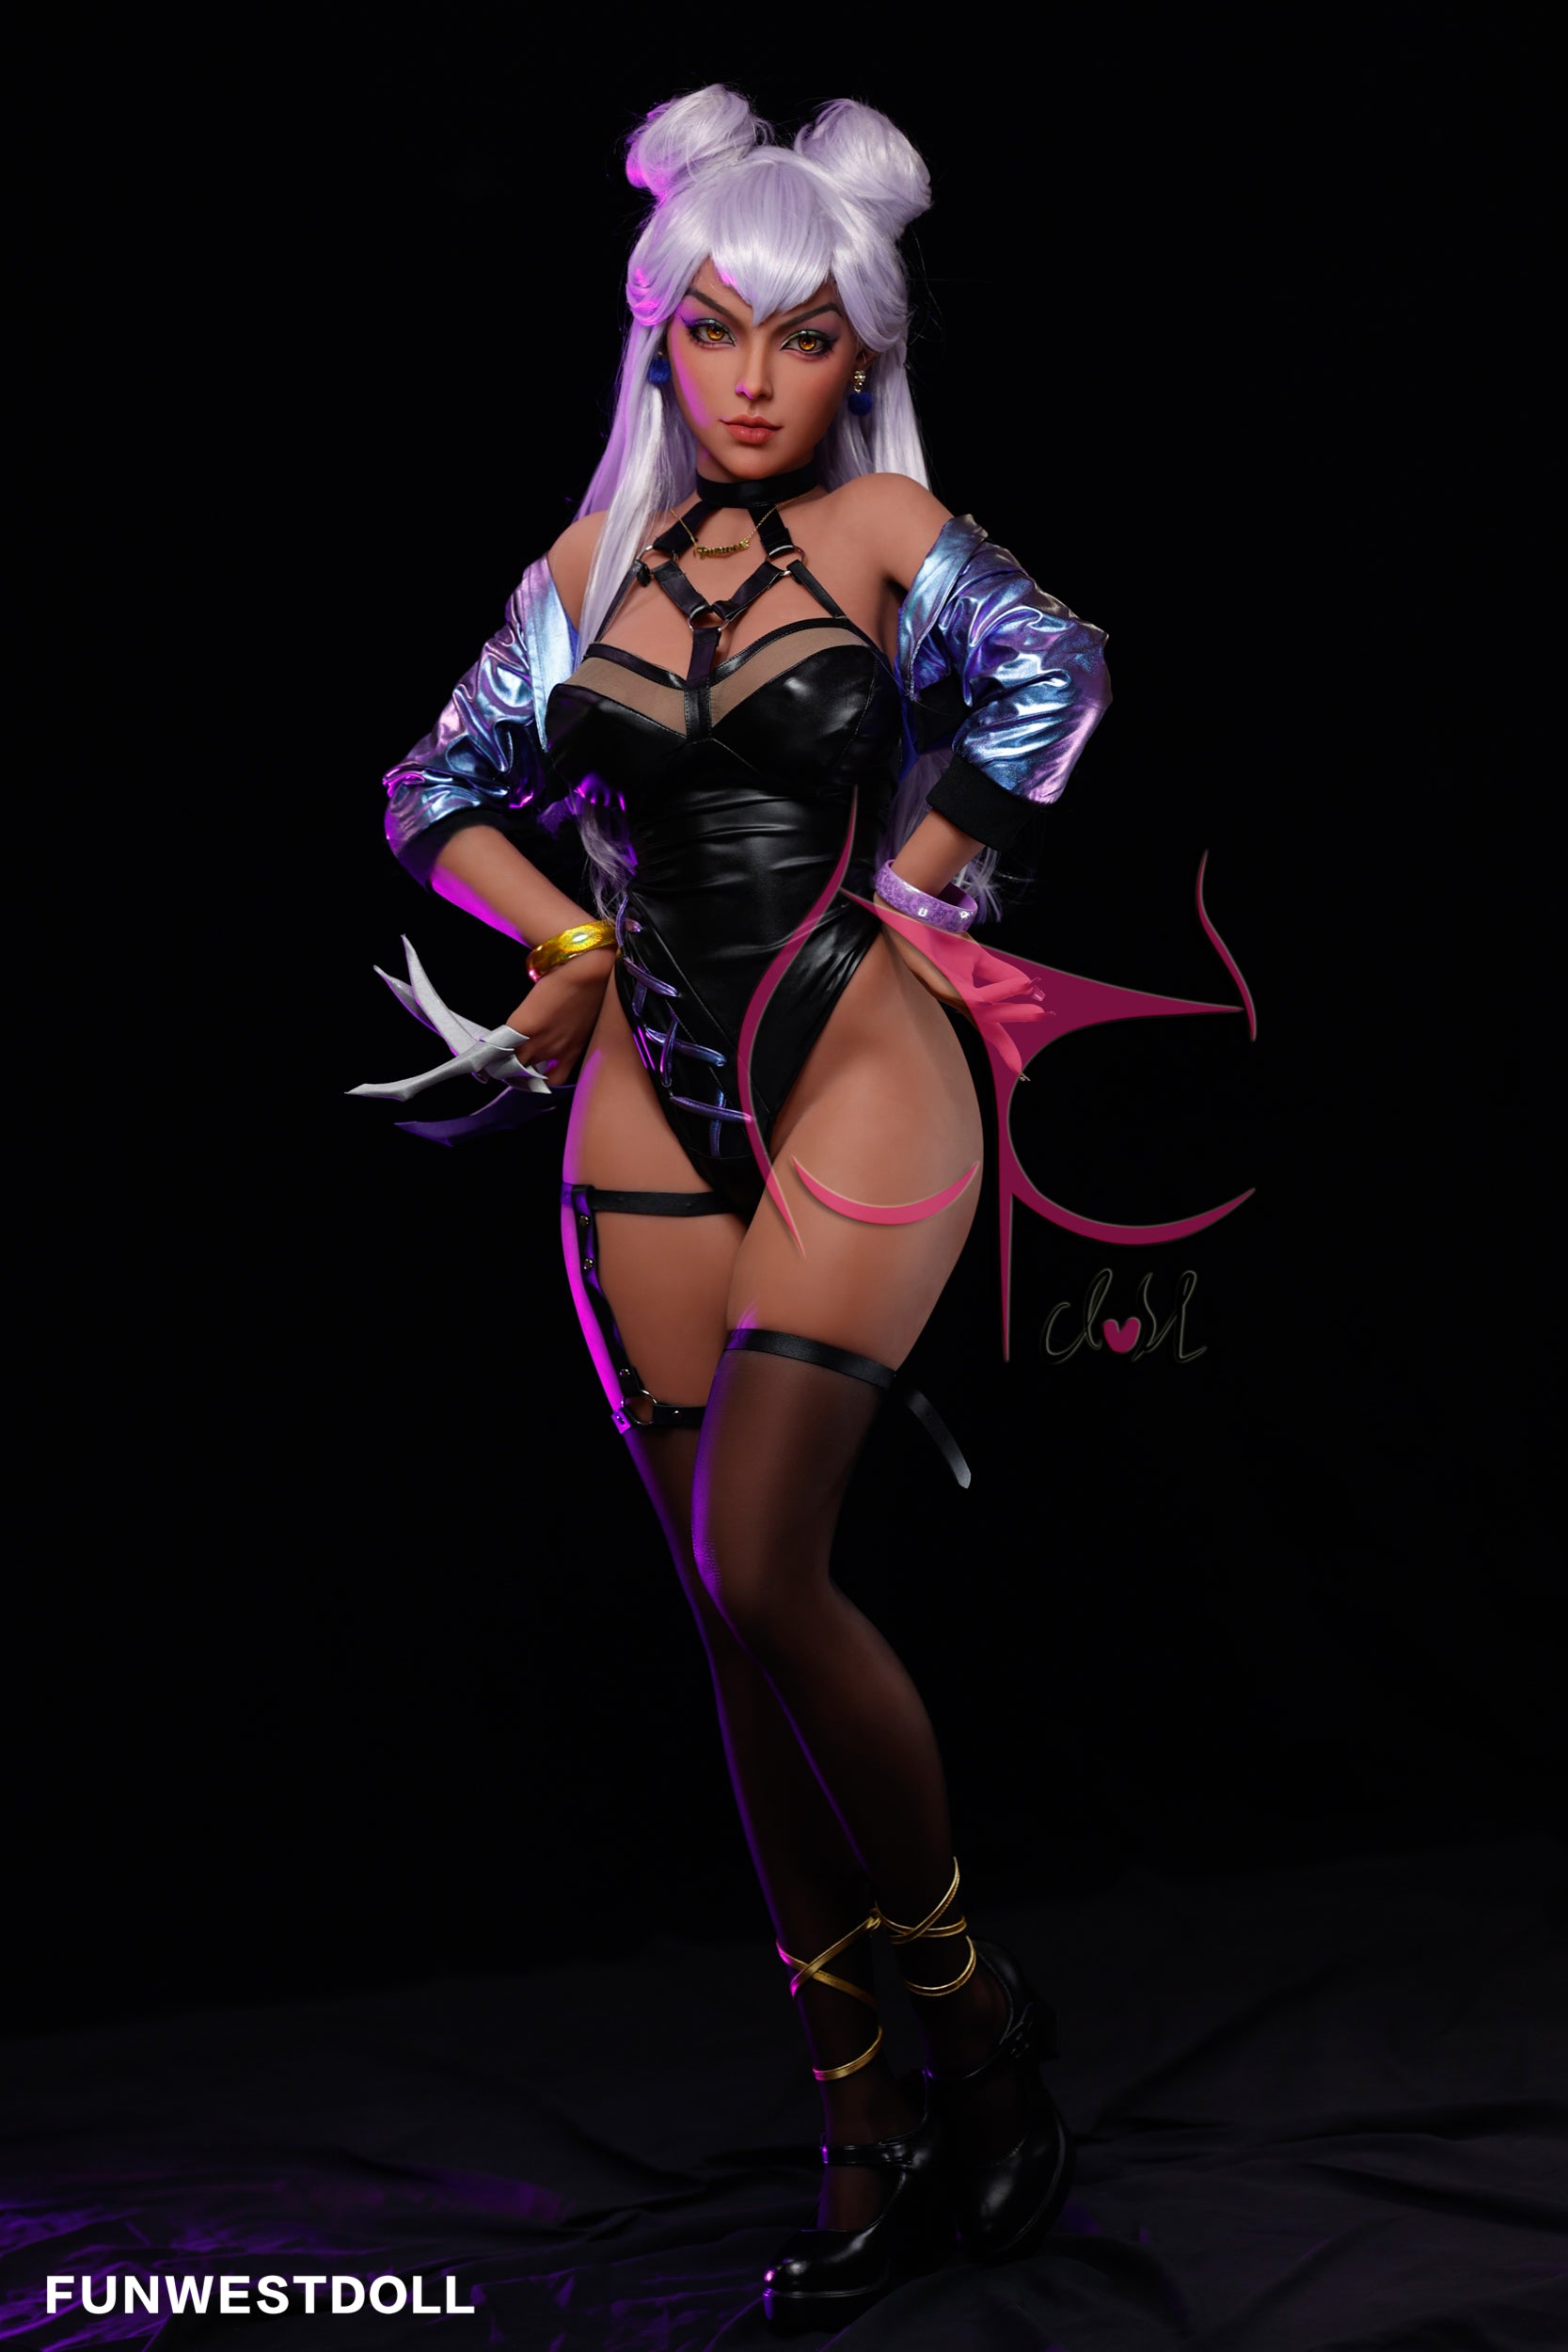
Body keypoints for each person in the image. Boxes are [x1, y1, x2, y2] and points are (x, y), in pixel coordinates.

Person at [371, 86, 1111, 2333]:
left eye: (798, 334)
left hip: (857, 1058)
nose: (755, 376)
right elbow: (432, 786)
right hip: (640, 1092)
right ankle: (861, 2112)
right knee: (722, 1609)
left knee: (766, 1560)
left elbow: (1056, 673)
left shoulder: (888, 523)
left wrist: (917, 891)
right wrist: (563, 939)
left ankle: (975, 2011)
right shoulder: (587, 563)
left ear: (857, 340)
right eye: (713, 331)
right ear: (660, 339)